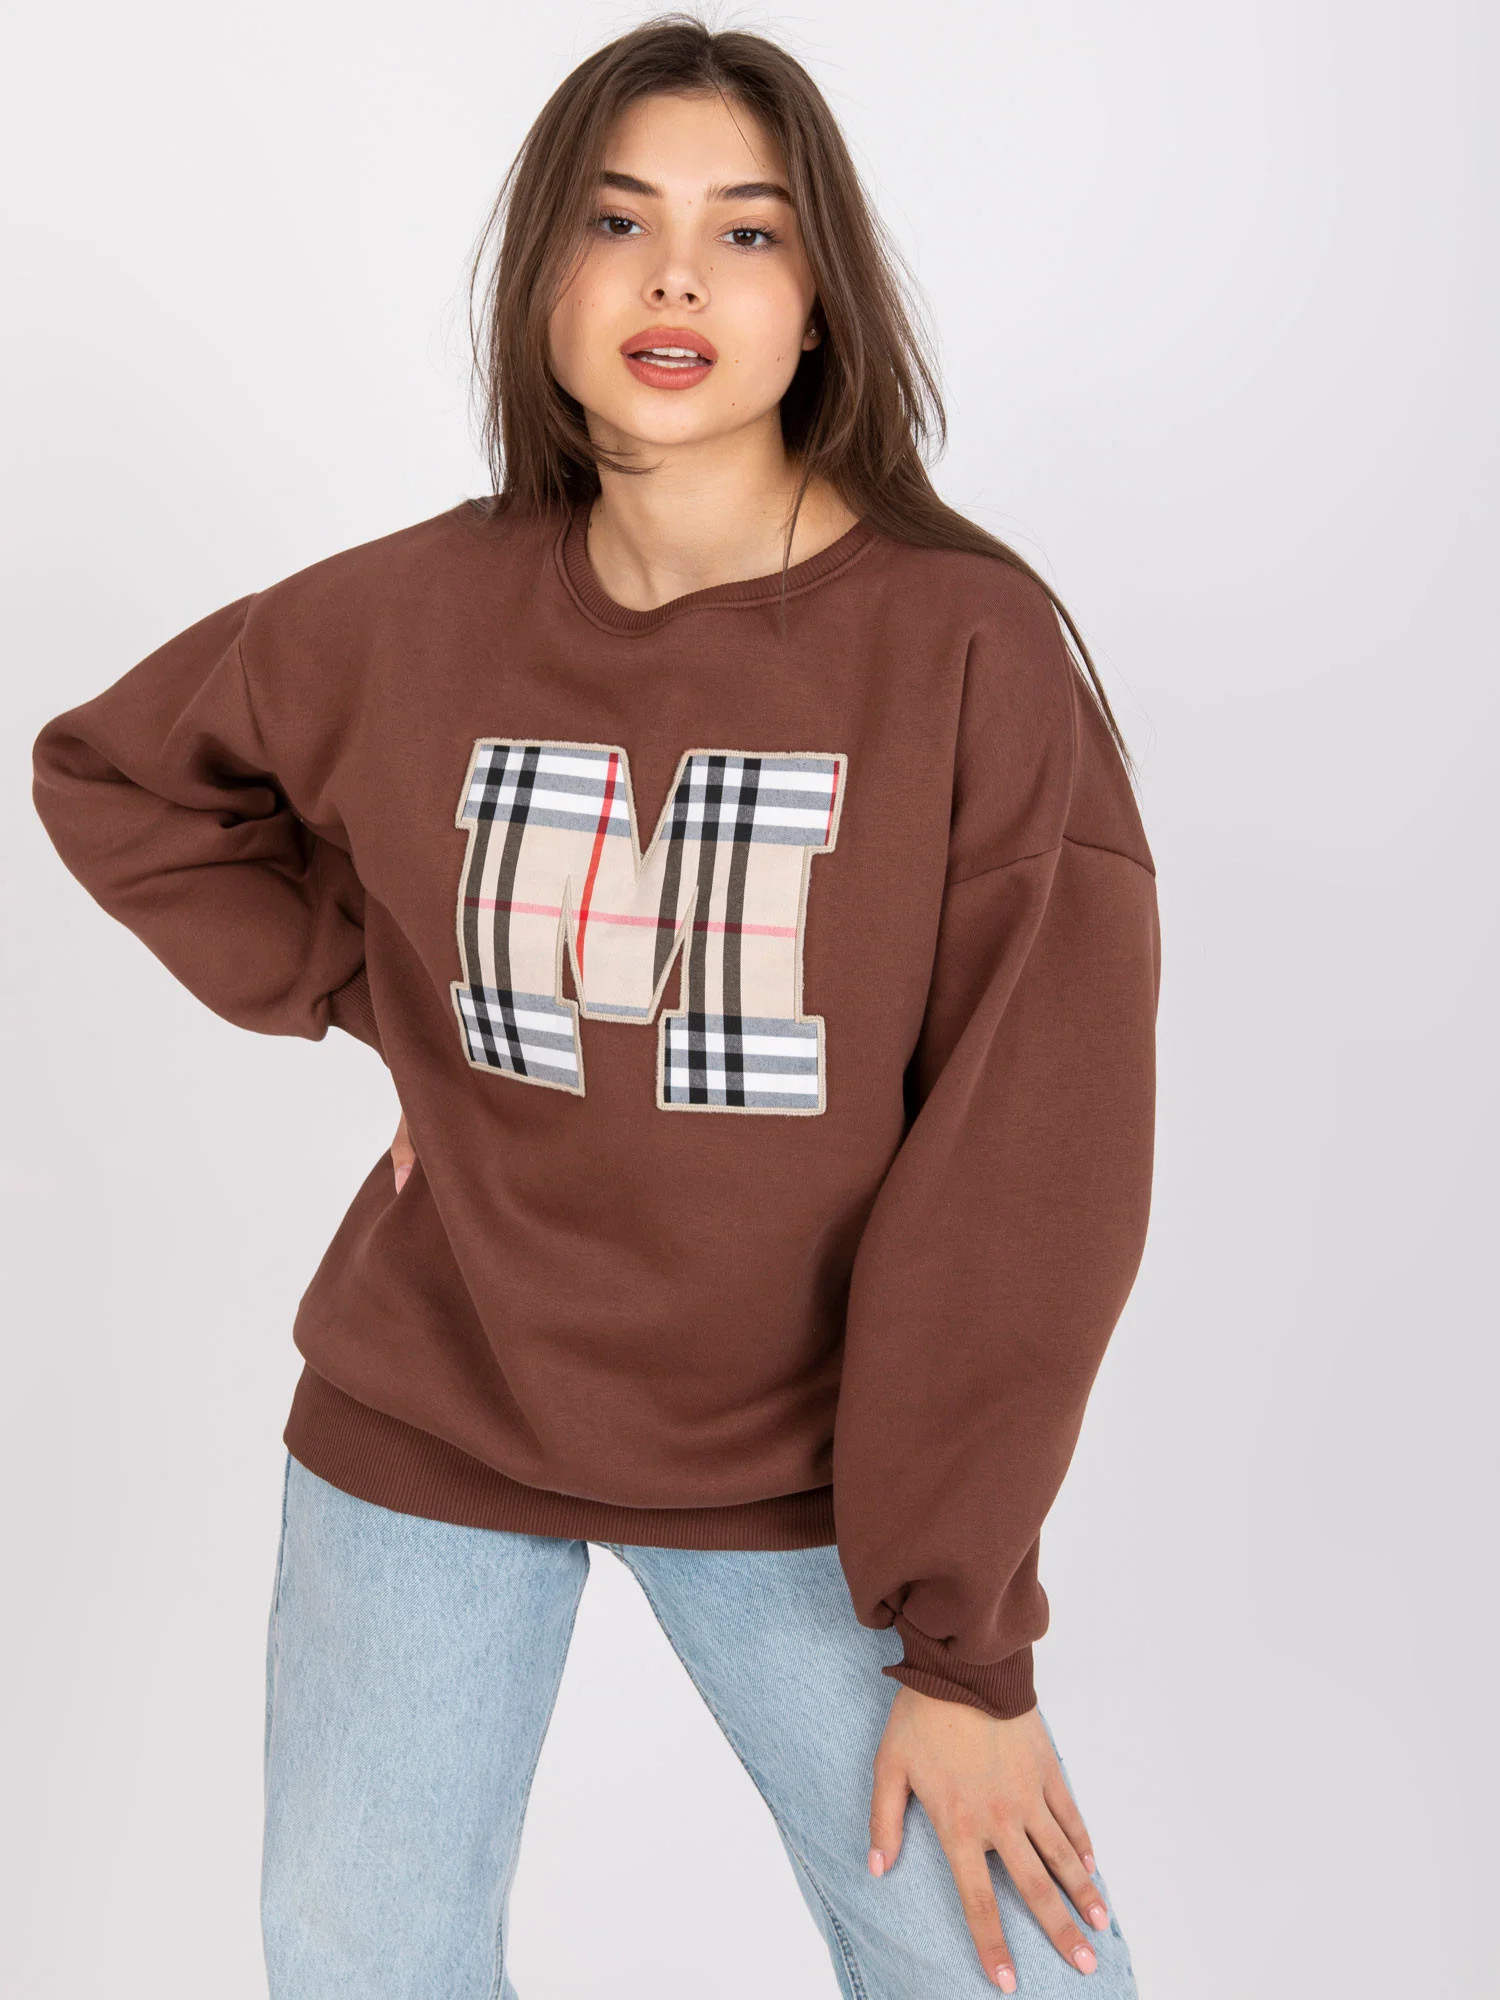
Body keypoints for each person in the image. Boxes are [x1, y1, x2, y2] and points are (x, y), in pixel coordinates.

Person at [30, 14, 1160, 1996]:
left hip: (812, 1474)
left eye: (748, 232)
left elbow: (1028, 1178)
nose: (676, 279)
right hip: (430, 1413)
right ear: (544, 278)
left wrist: (965, 1646)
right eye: (619, 222)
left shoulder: (966, 651)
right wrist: (384, 1002)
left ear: (820, 300)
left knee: (1006, 1971)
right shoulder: (406, 614)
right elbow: (118, 778)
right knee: (359, 1959)